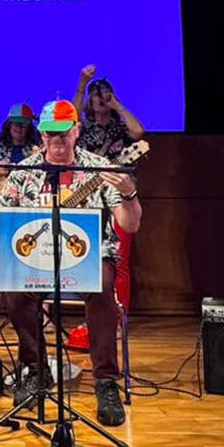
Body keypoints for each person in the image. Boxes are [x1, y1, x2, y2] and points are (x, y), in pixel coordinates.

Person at [0, 99, 141, 426]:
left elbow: (130, 224)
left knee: (102, 285)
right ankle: (36, 368)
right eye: (50, 134)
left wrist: (129, 193)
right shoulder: (23, 172)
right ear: (41, 135)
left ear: (77, 130)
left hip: (88, 256)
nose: (57, 141)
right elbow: (1, 215)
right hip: (37, 258)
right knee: (14, 290)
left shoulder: (99, 168)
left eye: (64, 133)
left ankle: (105, 380)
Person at [73, 65, 148, 308]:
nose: (100, 98)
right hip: (86, 196)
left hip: (116, 196)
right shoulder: (82, 127)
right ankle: (93, 314)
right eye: (96, 94)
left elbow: (139, 132)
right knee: (85, 256)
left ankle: (119, 318)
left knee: (119, 260)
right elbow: (70, 118)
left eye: (104, 93)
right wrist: (83, 84)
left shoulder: (120, 127)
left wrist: (117, 105)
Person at [0, 103, 42, 191]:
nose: (19, 128)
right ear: (9, 125)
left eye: (23, 125)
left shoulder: (36, 150)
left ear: (29, 129)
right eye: (16, 124)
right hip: (1, 196)